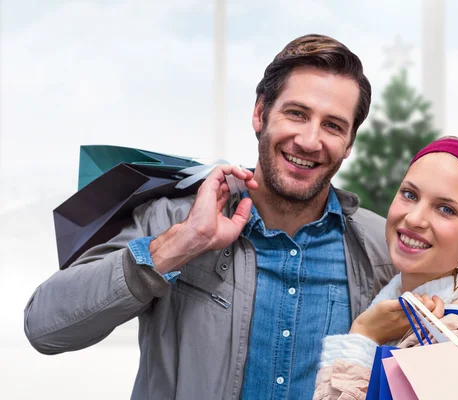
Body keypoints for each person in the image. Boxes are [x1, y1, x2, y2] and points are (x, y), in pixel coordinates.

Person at [23, 34, 397, 399]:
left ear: (348, 144)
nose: (310, 140)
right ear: (260, 113)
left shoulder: (381, 247)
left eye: (333, 125)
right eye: (296, 113)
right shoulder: (174, 220)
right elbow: (45, 328)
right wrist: (179, 244)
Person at [313, 137, 458, 400]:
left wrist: (363, 337)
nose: (414, 218)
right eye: (410, 194)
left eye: (446, 209)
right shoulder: (395, 308)